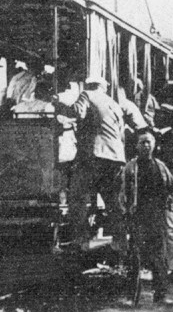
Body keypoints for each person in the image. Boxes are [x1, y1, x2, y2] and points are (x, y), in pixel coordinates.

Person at [59, 73, 143, 251]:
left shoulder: (88, 95)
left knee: (78, 196)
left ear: (89, 86)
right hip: (115, 158)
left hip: (94, 155)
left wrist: (57, 104)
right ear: (103, 87)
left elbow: (77, 112)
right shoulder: (114, 104)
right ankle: (120, 242)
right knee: (113, 201)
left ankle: (80, 241)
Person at [120, 128, 173, 306]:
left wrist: (168, 201)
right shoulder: (130, 167)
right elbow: (122, 193)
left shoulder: (160, 166)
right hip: (138, 217)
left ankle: (160, 296)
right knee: (135, 257)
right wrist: (127, 211)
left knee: (159, 258)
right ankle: (132, 298)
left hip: (157, 217)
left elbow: (172, 186)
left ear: (154, 145)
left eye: (149, 142)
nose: (146, 145)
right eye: (142, 142)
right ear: (137, 146)